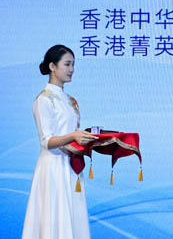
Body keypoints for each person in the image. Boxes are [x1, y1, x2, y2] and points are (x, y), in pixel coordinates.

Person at [23, 45, 97, 239]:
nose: (72, 69)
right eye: (67, 64)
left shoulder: (71, 100)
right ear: (52, 66)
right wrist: (73, 136)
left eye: (73, 64)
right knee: (54, 217)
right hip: (53, 167)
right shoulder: (44, 100)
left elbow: (73, 133)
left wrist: (89, 140)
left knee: (73, 216)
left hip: (71, 165)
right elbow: (46, 140)